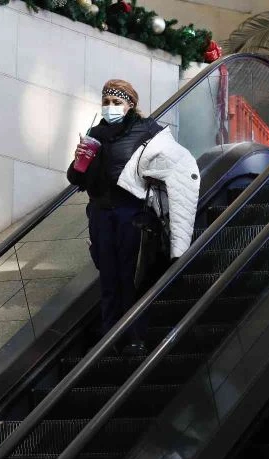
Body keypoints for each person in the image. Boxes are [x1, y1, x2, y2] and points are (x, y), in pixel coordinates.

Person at [67, 80, 200, 356]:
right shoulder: (95, 133)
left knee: (132, 277)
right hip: (101, 213)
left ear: (130, 105)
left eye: (116, 102)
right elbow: (79, 180)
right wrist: (78, 162)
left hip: (132, 214)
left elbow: (176, 162)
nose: (110, 107)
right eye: (106, 102)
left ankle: (135, 337)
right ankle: (109, 338)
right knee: (109, 278)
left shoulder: (147, 130)